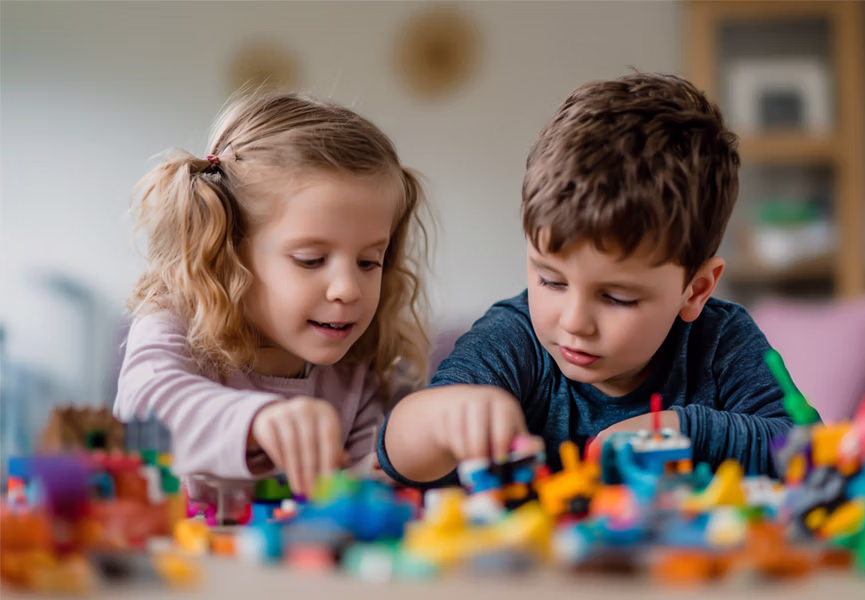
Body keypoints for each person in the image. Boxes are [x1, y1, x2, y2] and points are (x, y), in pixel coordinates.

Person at [380, 73, 805, 486]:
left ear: (695, 291)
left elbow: (804, 448)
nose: (574, 321)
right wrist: (445, 416)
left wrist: (680, 431)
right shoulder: (513, 337)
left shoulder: (721, 340)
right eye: (551, 281)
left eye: (617, 297)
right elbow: (396, 455)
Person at [115, 91, 431, 498]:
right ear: (228, 251)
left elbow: (363, 494)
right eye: (311, 260)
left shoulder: (357, 370)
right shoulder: (174, 320)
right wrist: (259, 419)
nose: (348, 289)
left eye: (369, 262)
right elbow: (142, 410)